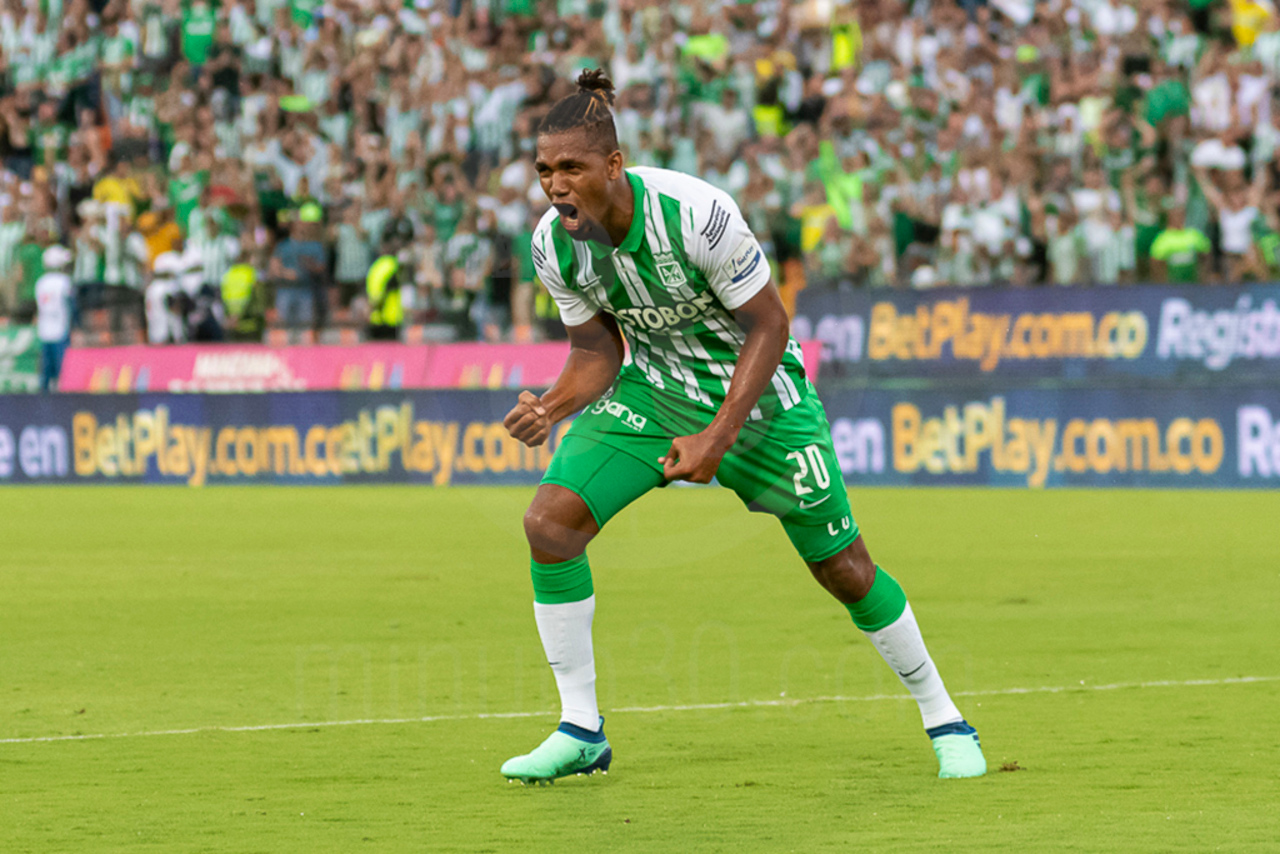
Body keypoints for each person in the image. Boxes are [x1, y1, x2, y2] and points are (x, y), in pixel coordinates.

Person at [499, 71, 986, 785]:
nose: (554, 184)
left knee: (844, 570)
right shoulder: (554, 244)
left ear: (613, 165)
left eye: (570, 167)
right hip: (658, 392)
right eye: (544, 170)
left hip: (763, 405)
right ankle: (581, 730)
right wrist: (552, 404)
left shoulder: (697, 213)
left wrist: (718, 437)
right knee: (550, 525)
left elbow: (770, 324)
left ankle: (946, 718)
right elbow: (596, 351)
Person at [34, 245, 74, 392]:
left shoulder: (40, 282)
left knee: (45, 375)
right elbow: (72, 305)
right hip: (61, 330)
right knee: (61, 374)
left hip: (44, 331)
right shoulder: (65, 281)